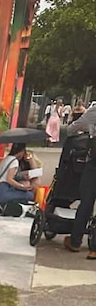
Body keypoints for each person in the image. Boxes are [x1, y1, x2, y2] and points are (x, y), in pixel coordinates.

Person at [63, 103, 96, 260]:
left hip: (94, 163)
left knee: (86, 203)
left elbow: (71, 129)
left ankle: (75, 241)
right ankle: (94, 249)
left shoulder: (94, 111)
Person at [0, 143, 40, 214]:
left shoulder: (6, 159)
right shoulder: (14, 161)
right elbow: (9, 179)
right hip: (4, 192)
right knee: (29, 195)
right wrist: (22, 187)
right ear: (22, 151)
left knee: (25, 193)